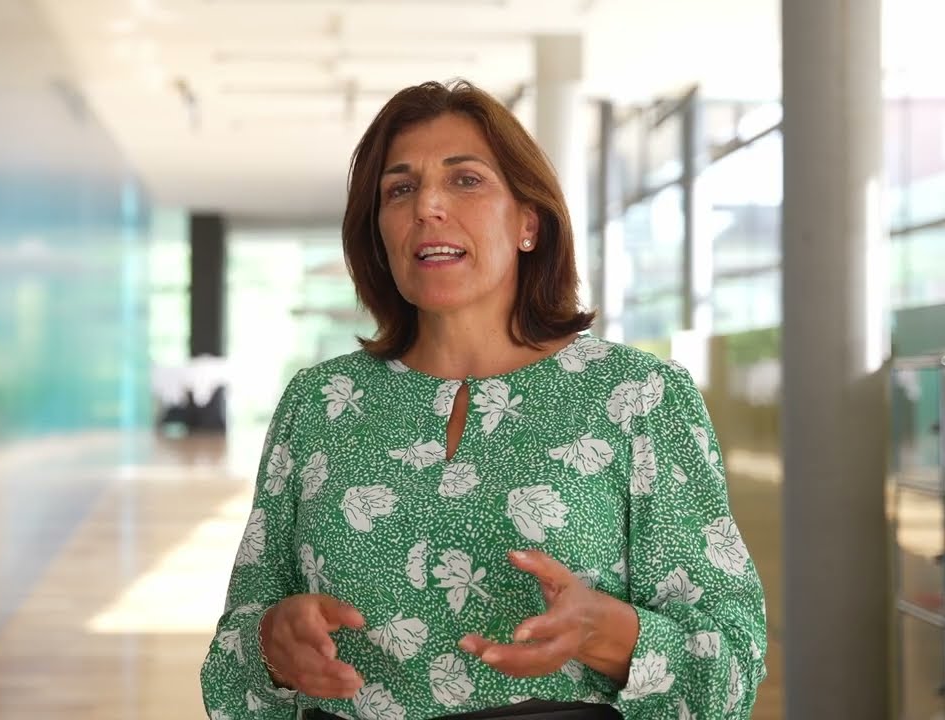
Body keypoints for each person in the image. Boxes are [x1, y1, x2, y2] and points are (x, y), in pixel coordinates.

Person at [200, 80, 767, 720]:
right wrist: (271, 648)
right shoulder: (318, 403)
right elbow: (231, 662)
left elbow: (732, 662)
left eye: (465, 180)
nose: (428, 206)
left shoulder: (638, 396)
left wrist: (607, 633)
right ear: (379, 234)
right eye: (399, 189)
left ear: (529, 223)